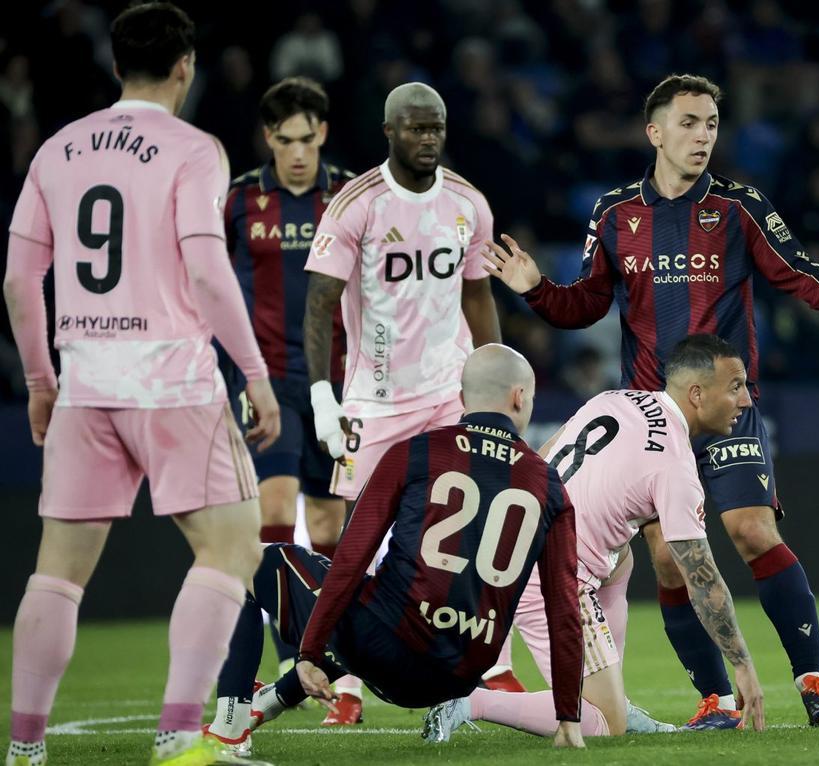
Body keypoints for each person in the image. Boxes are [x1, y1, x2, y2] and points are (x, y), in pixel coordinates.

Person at [484, 74, 819, 728]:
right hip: (654, 419)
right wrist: (536, 288)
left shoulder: (738, 206)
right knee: (668, 559)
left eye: (710, 123)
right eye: (688, 122)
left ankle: (814, 679)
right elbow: (584, 304)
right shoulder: (615, 214)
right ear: (655, 132)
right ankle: (717, 700)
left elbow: (792, 266)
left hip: (726, 407)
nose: (703, 135)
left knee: (751, 529)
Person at [4, 4, 281, 766]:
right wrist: (256, 374)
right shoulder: (194, 149)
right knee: (230, 549)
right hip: (174, 382)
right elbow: (206, 269)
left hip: (85, 384)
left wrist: (40, 380)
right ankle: (180, 736)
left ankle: (24, 748)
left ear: (116, 64)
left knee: (57, 574)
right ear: (186, 66)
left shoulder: (58, 150)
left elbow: (20, 281)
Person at [205, 345, 585, 756]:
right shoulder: (549, 485)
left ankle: (229, 726)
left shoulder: (415, 451)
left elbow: (351, 558)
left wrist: (309, 652)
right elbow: (564, 610)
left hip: (385, 650)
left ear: (461, 397)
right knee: (377, 600)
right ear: (520, 396)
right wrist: (568, 718)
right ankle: (270, 701)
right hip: (460, 677)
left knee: (239, 562)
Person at [425, 334, 767, 741]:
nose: (746, 400)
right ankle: (469, 701)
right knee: (605, 725)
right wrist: (743, 665)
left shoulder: (615, 398)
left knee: (620, 556)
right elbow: (702, 579)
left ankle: (612, 696)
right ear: (697, 394)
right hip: (551, 575)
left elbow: (544, 457)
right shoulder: (675, 466)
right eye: (735, 387)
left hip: (522, 539)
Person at [302, 81, 519, 691]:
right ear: (390, 132)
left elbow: (478, 293)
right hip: (374, 399)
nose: (428, 139)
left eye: (436, 128)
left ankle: (494, 668)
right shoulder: (356, 204)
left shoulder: (468, 203)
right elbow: (318, 304)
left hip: (451, 392)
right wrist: (322, 398)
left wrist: (496, 378)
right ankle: (346, 681)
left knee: (474, 524)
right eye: (417, 128)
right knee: (356, 539)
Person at [222, 76, 363, 726]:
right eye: (286, 141)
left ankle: (334, 669)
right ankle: (287, 664)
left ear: (323, 134)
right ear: (268, 139)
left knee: (329, 531)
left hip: (337, 386)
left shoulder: (351, 195)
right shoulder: (238, 201)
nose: (299, 153)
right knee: (273, 516)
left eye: (308, 139)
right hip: (267, 382)